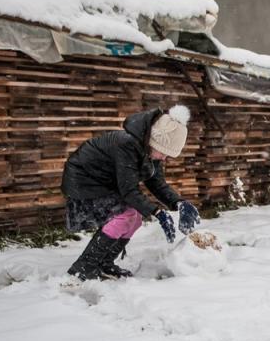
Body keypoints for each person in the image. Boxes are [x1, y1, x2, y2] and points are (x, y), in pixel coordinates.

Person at [61, 105, 201, 280]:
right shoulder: (126, 144)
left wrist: (179, 203)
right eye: (164, 153)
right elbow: (129, 191)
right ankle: (84, 267)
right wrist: (157, 212)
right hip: (84, 181)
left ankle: (105, 263)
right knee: (125, 215)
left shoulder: (149, 150)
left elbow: (157, 184)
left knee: (135, 218)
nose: (164, 158)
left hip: (106, 183)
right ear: (155, 141)